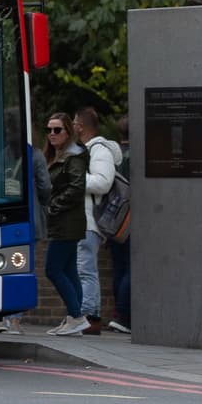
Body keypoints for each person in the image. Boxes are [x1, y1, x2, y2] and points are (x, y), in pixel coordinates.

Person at [0, 119, 51, 333]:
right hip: (29, 218)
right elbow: (45, 188)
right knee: (22, 267)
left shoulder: (3, 155)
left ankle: (7, 317)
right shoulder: (35, 155)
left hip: (7, 217)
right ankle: (13, 318)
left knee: (4, 266)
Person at [73, 106, 123, 335]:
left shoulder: (99, 150)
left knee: (86, 270)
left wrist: (73, 179)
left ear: (81, 126)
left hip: (89, 221)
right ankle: (84, 315)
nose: (72, 127)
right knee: (81, 269)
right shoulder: (85, 150)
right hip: (80, 220)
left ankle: (90, 317)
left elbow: (102, 182)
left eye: (74, 123)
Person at [42, 112, 90, 335]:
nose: (52, 134)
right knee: (69, 270)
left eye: (57, 130)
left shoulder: (74, 156)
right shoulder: (58, 155)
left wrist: (53, 206)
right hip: (64, 221)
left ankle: (77, 317)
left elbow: (76, 187)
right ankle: (74, 320)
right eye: (49, 130)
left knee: (53, 269)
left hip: (67, 221)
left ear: (68, 132)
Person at [108, 116, 132, 333]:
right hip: (131, 218)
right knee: (132, 267)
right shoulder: (135, 157)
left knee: (119, 266)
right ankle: (124, 316)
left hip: (113, 218)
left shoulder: (114, 158)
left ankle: (118, 312)